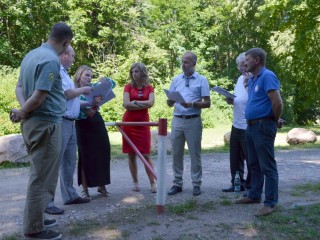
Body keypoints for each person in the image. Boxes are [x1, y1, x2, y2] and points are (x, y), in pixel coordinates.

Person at [9, 22, 73, 240]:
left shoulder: (31, 55)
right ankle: (34, 229)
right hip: (45, 124)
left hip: (33, 122)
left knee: (41, 173)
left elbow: (19, 88)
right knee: (41, 177)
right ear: (66, 42)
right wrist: (22, 112)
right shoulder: (50, 61)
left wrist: (23, 112)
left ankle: (37, 217)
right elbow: (38, 96)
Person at [235, 48, 283, 217]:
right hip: (251, 126)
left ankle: (270, 203)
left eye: (247, 60)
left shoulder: (267, 76)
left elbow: (277, 103)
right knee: (253, 164)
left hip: (263, 126)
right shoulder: (253, 78)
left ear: (256, 60)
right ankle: (254, 195)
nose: (244, 63)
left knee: (267, 167)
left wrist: (274, 120)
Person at [45, 46, 92, 214]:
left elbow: (73, 100)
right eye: (72, 55)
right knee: (55, 163)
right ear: (64, 54)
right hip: (62, 121)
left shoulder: (64, 73)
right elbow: (66, 94)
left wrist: (90, 103)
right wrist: (83, 90)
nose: (73, 59)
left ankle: (70, 195)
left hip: (71, 122)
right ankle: (47, 203)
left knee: (69, 162)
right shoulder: (57, 70)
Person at [167, 51, 211, 196]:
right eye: (182, 62)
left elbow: (207, 103)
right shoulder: (176, 79)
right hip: (177, 119)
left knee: (194, 154)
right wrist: (170, 101)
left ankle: (196, 184)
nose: (183, 64)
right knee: (176, 153)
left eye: (186, 62)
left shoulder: (201, 80)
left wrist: (191, 104)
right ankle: (177, 183)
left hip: (193, 120)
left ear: (194, 64)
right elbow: (170, 101)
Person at [74, 65, 111, 199]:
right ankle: (85, 189)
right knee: (84, 156)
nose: (90, 78)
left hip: (96, 122)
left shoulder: (94, 87)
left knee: (103, 152)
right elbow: (71, 109)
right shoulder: (74, 90)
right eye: (87, 75)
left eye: (91, 76)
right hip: (82, 125)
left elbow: (112, 84)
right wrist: (85, 110)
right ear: (79, 76)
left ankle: (101, 185)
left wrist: (104, 80)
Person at [122, 62, 156, 193]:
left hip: (143, 124)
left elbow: (151, 103)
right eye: (132, 72)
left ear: (142, 72)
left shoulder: (149, 88)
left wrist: (134, 102)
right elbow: (126, 104)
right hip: (129, 124)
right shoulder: (128, 87)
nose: (134, 74)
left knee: (146, 154)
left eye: (136, 71)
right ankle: (135, 182)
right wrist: (142, 104)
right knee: (131, 155)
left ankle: (152, 183)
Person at [222, 53, 251, 193]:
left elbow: (255, 99)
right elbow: (239, 99)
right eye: (240, 66)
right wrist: (230, 100)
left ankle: (252, 187)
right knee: (235, 157)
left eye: (245, 65)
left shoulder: (255, 78)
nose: (242, 69)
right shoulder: (240, 79)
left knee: (251, 158)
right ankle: (237, 183)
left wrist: (247, 84)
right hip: (236, 123)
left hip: (249, 125)